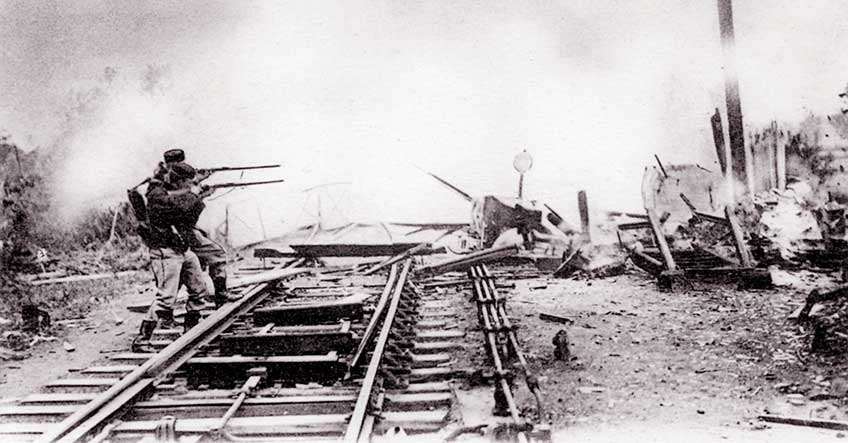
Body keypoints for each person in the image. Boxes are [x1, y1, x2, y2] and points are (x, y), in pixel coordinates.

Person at [132, 163, 210, 351]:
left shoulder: (169, 192)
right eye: (188, 183)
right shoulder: (156, 194)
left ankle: (191, 331)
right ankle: (142, 340)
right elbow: (179, 211)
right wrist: (196, 195)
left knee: (199, 289)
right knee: (166, 297)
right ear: (180, 181)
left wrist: (197, 196)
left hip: (180, 248)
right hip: (165, 251)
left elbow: (188, 219)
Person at [160, 148, 233, 307]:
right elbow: (184, 210)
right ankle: (221, 297)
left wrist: (198, 189)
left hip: (178, 231)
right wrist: (199, 195)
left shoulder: (165, 179)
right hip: (180, 231)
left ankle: (165, 316)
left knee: (181, 275)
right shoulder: (167, 183)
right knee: (217, 255)